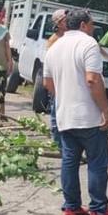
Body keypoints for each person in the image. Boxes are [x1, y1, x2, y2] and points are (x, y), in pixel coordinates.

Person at [43, 9, 108, 215]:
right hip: (89, 117)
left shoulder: (54, 47)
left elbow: (47, 84)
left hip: (65, 116)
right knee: (97, 163)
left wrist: (65, 98)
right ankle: (98, 211)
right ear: (82, 25)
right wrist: (106, 110)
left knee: (69, 162)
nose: (93, 29)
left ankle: (71, 208)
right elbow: (92, 80)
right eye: (91, 25)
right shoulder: (88, 44)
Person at [46, 9, 68, 150]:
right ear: (58, 23)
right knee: (56, 111)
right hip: (58, 81)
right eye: (64, 20)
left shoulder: (71, 36)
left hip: (69, 81)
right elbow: (50, 65)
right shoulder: (53, 40)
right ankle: (57, 143)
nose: (68, 22)